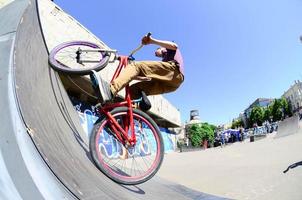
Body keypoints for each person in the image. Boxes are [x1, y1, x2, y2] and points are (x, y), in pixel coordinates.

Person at [95, 34, 184, 104]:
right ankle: (125, 117)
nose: (156, 54)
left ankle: (110, 90)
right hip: (172, 85)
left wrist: (152, 41)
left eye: (157, 52)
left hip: (174, 71)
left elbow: (174, 46)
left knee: (136, 65)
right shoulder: (165, 63)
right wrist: (132, 75)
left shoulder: (168, 50)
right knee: (134, 90)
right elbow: (147, 78)